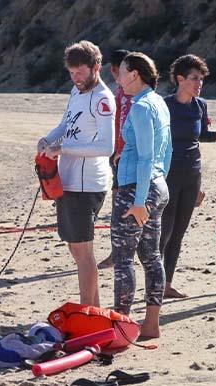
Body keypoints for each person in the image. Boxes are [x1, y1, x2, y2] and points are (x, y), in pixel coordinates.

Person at [37, 40, 115, 307]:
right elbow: (65, 124)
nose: (76, 78)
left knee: (83, 251)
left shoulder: (103, 99)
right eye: (71, 73)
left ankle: (87, 311)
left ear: (96, 67)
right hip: (67, 180)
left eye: (80, 72)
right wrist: (47, 140)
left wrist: (63, 149)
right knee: (74, 246)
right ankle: (94, 308)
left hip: (88, 184)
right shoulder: (76, 91)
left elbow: (107, 147)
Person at [160, 55, 216, 299]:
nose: (199, 83)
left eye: (201, 79)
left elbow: (200, 135)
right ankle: (154, 282)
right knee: (165, 231)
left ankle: (167, 284)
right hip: (168, 174)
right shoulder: (164, 105)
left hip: (192, 174)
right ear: (180, 79)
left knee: (179, 232)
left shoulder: (200, 105)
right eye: (194, 78)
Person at [112, 52, 172, 339]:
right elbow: (167, 151)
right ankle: (151, 324)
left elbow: (147, 156)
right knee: (151, 257)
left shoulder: (140, 107)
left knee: (123, 258)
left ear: (134, 74)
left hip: (137, 189)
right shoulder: (159, 102)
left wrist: (138, 202)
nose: (119, 79)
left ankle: (122, 325)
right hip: (157, 186)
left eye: (122, 72)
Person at [98, 48, 132, 270]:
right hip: (122, 157)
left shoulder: (121, 95)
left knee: (120, 207)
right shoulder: (126, 93)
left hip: (124, 158)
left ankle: (117, 254)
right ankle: (119, 252)